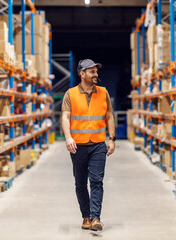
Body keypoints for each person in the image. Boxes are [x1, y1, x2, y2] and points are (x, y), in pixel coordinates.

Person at [61, 59, 116, 231]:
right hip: (77, 145)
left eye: (96, 72)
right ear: (82, 74)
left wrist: (112, 139)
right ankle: (85, 216)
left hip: (98, 144)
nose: (96, 74)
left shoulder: (103, 92)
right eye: (92, 72)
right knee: (80, 183)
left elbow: (109, 116)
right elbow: (65, 117)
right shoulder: (70, 94)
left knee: (97, 181)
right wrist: (68, 137)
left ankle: (95, 218)